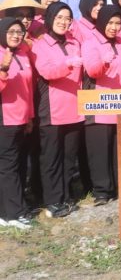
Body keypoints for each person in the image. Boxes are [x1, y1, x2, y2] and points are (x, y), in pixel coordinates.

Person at [31, 2, 84, 218]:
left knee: (69, 158)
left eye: (67, 18)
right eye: (59, 17)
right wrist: (68, 64)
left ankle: (64, 195)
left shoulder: (74, 42)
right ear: (50, 18)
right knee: (51, 158)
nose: (63, 22)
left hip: (75, 108)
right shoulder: (40, 44)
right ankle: (52, 200)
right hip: (52, 110)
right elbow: (46, 71)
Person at [81, 5, 121, 206]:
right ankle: (101, 191)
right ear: (101, 22)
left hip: (120, 104)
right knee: (99, 150)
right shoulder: (91, 42)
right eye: (110, 23)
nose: (114, 27)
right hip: (98, 104)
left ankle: (117, 186)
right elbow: (91, 70)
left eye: (118, 23)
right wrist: (104, 63)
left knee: (117, 149)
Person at [0, 18, 36, 229]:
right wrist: (3, 69)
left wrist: (30, 116)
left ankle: (8, 210)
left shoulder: (22, 53)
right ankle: (14, 213)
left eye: (20, 32)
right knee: (8, 167)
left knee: (18, 166)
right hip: (5, 119)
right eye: (11, 31)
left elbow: (28, 89)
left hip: (22, 119)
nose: (16, 35)